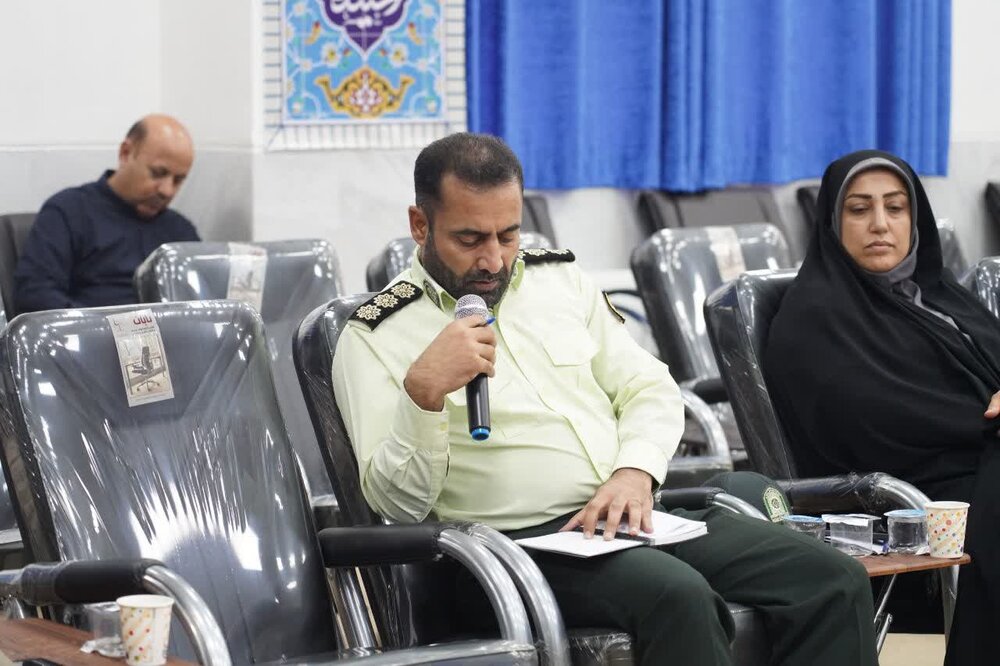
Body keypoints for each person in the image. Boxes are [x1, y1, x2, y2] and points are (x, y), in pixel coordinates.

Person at [332, 133, 877, 665]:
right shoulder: (376, 335)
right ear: (420, 225)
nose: (493, 260)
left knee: (830, 578)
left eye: (508, 235)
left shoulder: (558, 280)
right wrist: (423, 396)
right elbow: (397, 507)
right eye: (470, 239)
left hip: (622, 516)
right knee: (677, 596)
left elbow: (647, 386)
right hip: (501, 554)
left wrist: (634, 473)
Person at [765, 149, 1000, 664]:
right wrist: (988, 422)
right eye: (859, 209)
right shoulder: (814, 320)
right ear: (832, 222)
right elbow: (878, 426)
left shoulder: (942, 296)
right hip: (914, 499)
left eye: (895, 208)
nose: (879, 224)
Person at [14, 114, 200, 313]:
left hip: (169, 331)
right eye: (158, 173)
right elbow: (35, 294)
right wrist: (107, 327)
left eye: (178, 180)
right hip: (88, 329)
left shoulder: (181, 232)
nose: (167, 191)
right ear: (126, 153)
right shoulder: (69, 212)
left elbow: (204, 301)